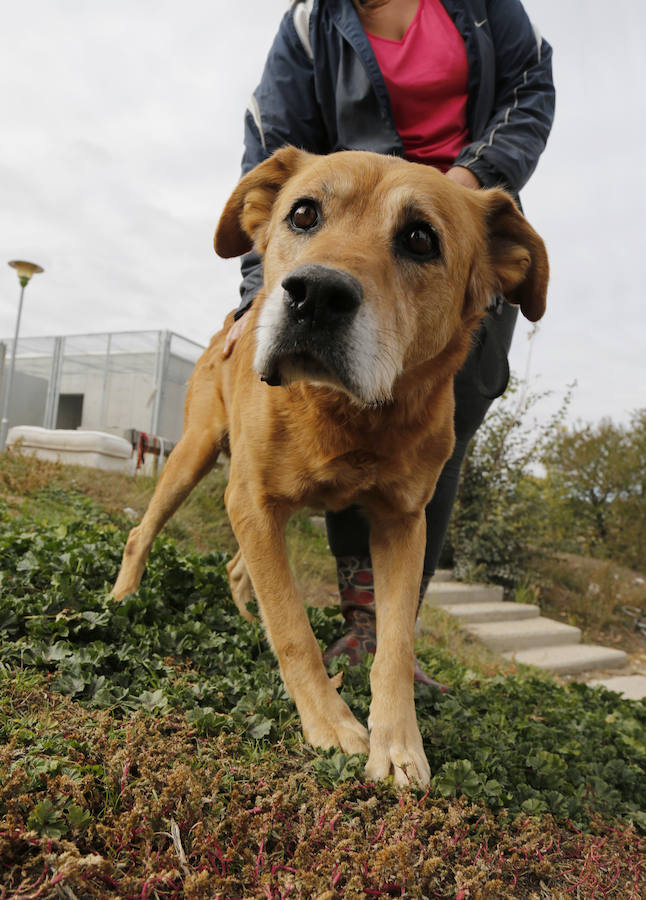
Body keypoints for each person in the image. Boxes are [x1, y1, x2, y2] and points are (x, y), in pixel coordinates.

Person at [223, 0, 555, 684]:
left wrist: (463, 184)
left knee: (433, 443)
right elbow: (273, 146)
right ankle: (363, 621)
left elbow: (531, 88)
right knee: (335, 420)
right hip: (355, 213)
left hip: (458, 229)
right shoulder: (310, 23)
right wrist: (253, 298)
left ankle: (393, 636)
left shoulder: (487, 9)